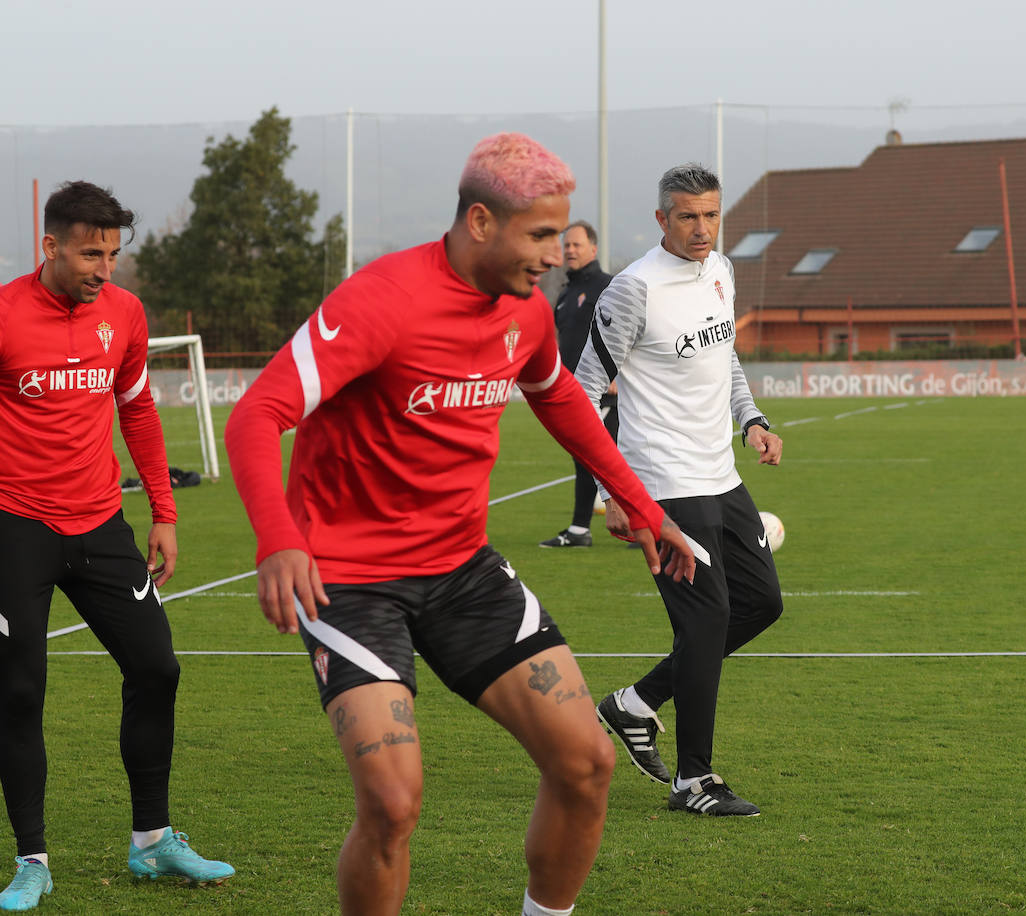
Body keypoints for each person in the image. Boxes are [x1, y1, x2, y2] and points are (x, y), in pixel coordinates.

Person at [224, 133, 695, 916]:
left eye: (560, 233)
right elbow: (256, 415)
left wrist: (640, 505)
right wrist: (278, 538)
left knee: (584, 764)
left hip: (461, 569)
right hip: (347, 580)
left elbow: (560, 398)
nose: (556, 252)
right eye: (540, 234)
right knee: (392, 802)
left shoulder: (524, 310)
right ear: (481, 221)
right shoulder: (382, 300)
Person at [0, 182, 234, 912]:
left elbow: (136, 410)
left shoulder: (125, 315)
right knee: (18, 689)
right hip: (17, 527)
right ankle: (32, 859)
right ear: (50, 246)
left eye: (112, 253)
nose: (104, 267)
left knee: (157, 667)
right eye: (89, 252)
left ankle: (152, 841)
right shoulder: (4, 315)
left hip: (103, 525)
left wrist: (163, 512)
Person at [576, 164, 785, 817]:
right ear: (662, 219)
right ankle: (694, 782)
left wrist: (751, 419)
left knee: (761, 603)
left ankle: (633, 705)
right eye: (688, 216)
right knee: (707, 618)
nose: (702, 229)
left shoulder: (720, 270)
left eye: (711, 216)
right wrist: (616, 495)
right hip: (662, 482)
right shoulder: (632, 290)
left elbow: (724, 356)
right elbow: (581, 395)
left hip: (720, 474)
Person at [539, 221, 616, 548]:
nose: (569, 250)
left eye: (576, 245)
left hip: (604, 392)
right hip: (573, 393)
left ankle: (647, 524)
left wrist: (618, 375)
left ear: (593, 249)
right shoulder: (566, 293)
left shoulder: (608, 286)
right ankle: (580, 530)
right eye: (566, 245)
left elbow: (630, 334)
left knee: (616, 458)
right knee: (585, 459)